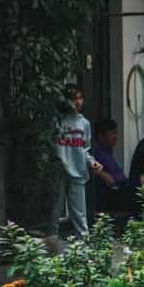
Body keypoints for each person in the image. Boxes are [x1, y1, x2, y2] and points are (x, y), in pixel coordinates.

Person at [53, 85, 91, 237]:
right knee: (54, 212)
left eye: (80, 98)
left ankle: (84, 249)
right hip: (59, 171)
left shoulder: (84, 123)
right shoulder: (57, 120)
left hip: (78, 171)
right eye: (74, 98)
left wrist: (91, 162)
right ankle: (52, 249)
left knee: (80, 215)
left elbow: (86, 149)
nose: (78, 102)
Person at [90, 117, 141, 220]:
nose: (115, 137)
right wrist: (101, 174)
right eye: (111, 134)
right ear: (100, 136)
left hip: (123, 187)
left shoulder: (108, 150)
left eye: (116, 133)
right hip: (113, 192)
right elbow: (89, 167)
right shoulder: (94, 151)